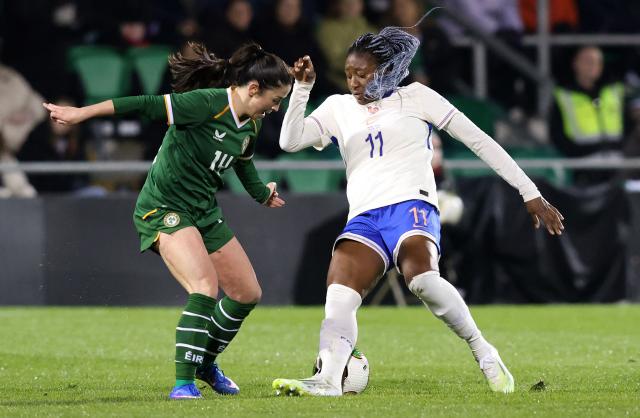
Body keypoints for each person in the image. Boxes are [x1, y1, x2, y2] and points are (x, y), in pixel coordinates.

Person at [273, 25, 564, 396]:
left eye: (362, 73)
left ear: (386, 71)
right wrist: (302, 89)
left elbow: (479, 140)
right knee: (338, 293)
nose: (354, 82)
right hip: (364, 216)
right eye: (348, 74)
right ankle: (328, 379)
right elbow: (290, 140)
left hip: (412, 204)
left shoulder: (417, 97)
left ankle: (484, 351)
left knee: (422, 280)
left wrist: (529, 191)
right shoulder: (337, 108)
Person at [43, 42, 292, 399]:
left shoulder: (249, 124)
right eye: (275, 98)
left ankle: (205, 362)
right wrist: (82, 113)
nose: (275, 107)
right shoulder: (206, 103)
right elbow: (142, 104)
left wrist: (260, 194)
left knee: (246, 293)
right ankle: (183, 384)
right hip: (162, 208)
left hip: (203, 211)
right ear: (253, 88)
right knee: (204, 287)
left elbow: (243, 160)